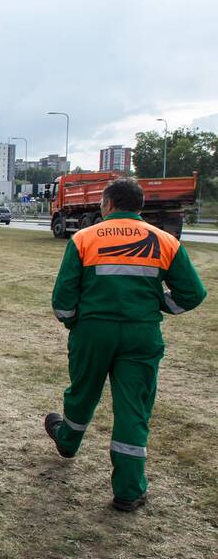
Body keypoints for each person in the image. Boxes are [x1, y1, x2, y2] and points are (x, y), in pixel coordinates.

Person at [45, 178, 207, 512]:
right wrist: (158, 305)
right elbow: (193, 293)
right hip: (141, 334)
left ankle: (67, 442)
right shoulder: (165, 241)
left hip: (93, 332)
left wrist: (75, 322)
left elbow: (62, 299)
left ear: (107, 204)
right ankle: (129, 491)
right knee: (133, 409)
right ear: (140, 206)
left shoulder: (84, 237)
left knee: (83, 392)